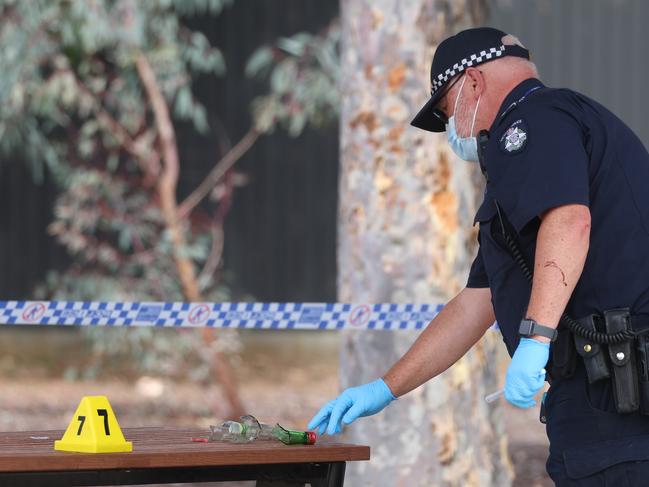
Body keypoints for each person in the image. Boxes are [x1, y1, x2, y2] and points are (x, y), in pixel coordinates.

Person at [307, 27, 649, 485]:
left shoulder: (531, 122)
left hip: (617, 398)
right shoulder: (559, 125)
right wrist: (384, 389)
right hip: (597, 393)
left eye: (448, 112)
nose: (453, 129)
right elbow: (478, 301)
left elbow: (570, 222)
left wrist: (536, 341)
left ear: (472, 83)